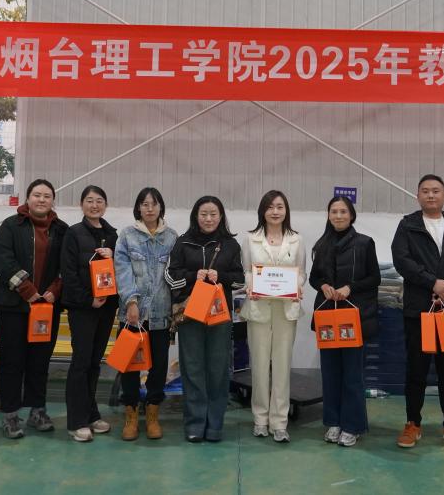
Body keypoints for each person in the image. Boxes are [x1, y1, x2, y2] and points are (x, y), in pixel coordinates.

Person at [391, 174, 444, 452]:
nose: (431, 195)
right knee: (416, 368)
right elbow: (402, 260)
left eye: (436, 191)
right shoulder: (408, 226)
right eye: (425, 191)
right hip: (419, 310)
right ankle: (412, 423)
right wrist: (432, 283)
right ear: (418, 196)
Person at [0, 179, 69, 439]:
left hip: (46, 309)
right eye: (37, 195)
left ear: (53, 200)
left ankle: (38, 410)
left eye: (47, 196)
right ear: (28, 198)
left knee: (40, 361)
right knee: (12, 361)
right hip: (13, 307)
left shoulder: (62, 229)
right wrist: (27, 290)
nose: (42, 199)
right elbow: (2, 259)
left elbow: (67, 265)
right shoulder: (11, 226)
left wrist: (54, 291)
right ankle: (10, 415)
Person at [164, 195, 244, 443]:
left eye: (213, 214)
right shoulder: (183, 242)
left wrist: (221, 276)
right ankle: (195, 423)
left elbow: (240, 280)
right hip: (191, 315)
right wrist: (192, 276)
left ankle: (215, 425)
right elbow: (170, 276)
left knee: (218, 369)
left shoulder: (230, 245)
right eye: (203, 214)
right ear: (195, 216)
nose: (208, 219)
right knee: (192, 368)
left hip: (220, 316)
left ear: (221, 216)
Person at [308, 196, 380, 448]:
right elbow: (314, 278)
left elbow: (374, 278)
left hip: (353, 319)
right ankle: (333, 422)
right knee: (330, 373)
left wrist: (350, 288)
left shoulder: (364, 243)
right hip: (328, 317)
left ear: (351, 215)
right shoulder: (322, 244)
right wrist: (323, 286)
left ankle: (352, 425)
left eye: (343, 211)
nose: (338, 216)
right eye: (334, 212)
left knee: (352, 374)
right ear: (328, 215)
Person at [241, 190, 306, 443]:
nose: (275, 211)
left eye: (279, 207)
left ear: (286, 210)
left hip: (286, 309)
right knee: (259, 366)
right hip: (259, 307)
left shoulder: (296, 240)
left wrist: (297, 286)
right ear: (263, 211)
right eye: (270, 207)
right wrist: (250, 286)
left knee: (281, 366)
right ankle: (260, 419)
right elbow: (247, 271)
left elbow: (301, 273)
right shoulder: (251, 239)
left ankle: (279, 422)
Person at [113, 187, 178, 441]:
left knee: (158, 367)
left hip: (161, 315)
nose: (149, 208)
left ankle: (152, 415)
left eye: (154, 204)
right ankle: (131, 416)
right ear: (138, 208)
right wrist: (131, 302)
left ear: (161, 207)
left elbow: (175, 275)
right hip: (132, 314)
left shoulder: (172, 238)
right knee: (129, 366)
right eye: (144, 204)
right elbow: (122, 270)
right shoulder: (127, 236)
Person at [61, 185, 119, 442]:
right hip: (83, 308)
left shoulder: (112, 235)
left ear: (105, 205)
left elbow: (122, 269)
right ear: (81, 205)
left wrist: (113, 256)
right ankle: (76, 421)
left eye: (99, 201)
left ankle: (91, 413)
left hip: (106, 308)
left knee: (95, 362)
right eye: (89, 201)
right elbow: (68, 274)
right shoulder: (73, 234)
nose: (94, 205)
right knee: (81, 362)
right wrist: (88, 300)